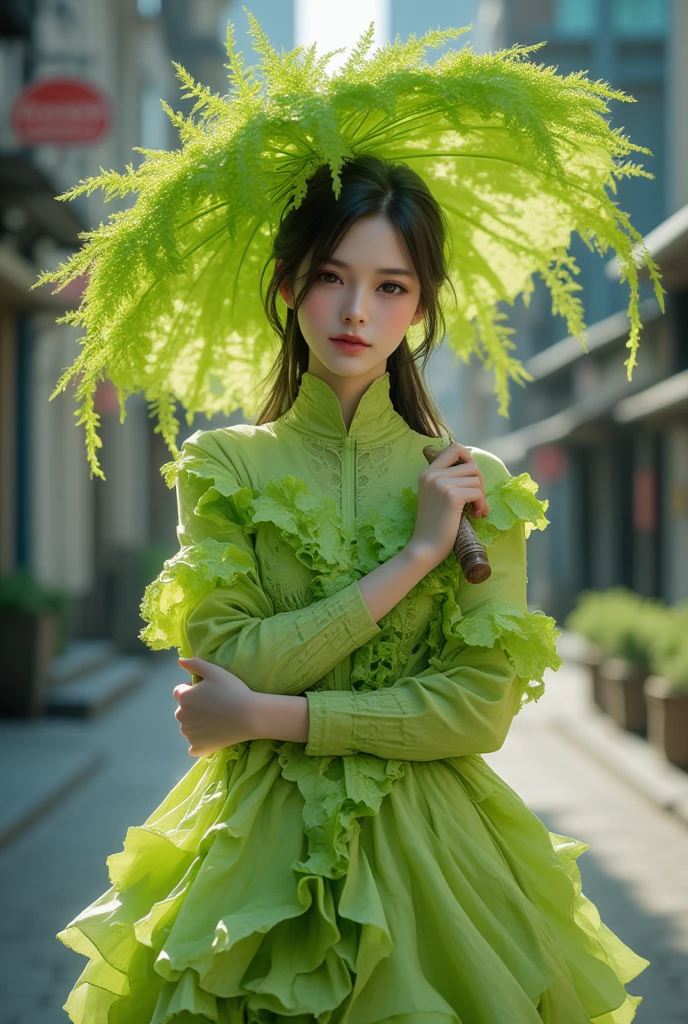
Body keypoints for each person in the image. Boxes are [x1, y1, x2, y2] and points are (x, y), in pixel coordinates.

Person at [56, 155, 648, 1023]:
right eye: (333, 277)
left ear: (422, 305)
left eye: (392, 286)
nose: (358, 310)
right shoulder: (224, 465)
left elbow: (478, 710)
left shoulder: (474, 483)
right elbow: (232, 656)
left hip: (438, 864)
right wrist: (414, 556)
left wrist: (273, 717)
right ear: (290, 285)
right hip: (250, 852)